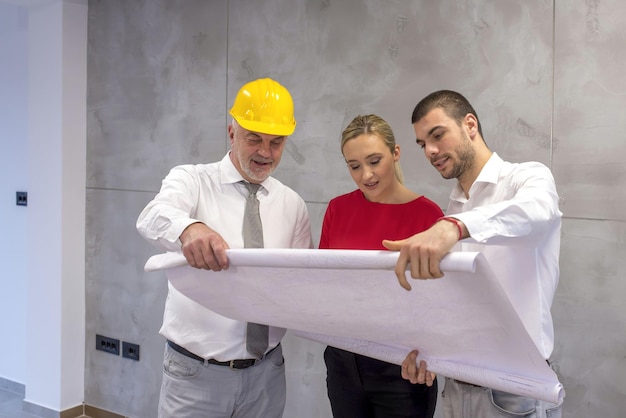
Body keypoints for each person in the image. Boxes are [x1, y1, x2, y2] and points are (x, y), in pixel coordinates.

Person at [136, 77, 312, 418]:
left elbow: (298, 283)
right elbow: (152, 216)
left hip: (267, 374)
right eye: (254, 139)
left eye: (276, 143)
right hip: (195, 376)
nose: (265, 152)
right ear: (232, 133)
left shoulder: (292, 204)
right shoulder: (192, 181)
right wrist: (190, 228)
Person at [383, 90, 563, 418]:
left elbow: (536, 212)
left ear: (470, 125)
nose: (431, 151)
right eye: (423, 144)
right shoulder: (455, 206)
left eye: (437, 135)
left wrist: (454, 226)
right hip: (457, 386)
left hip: (514, 392)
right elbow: (460, 304)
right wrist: (429, 354)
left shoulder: (527, 178)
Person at [319, 114, 442, 418]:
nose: (366, 175)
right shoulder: (338, 209)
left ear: (395, 153)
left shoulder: (428, 216)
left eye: (375, 161)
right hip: (343, 361)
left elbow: (442, 301)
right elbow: (322, 284)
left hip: (404, 366)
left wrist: (435, 358)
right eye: (355, 166)